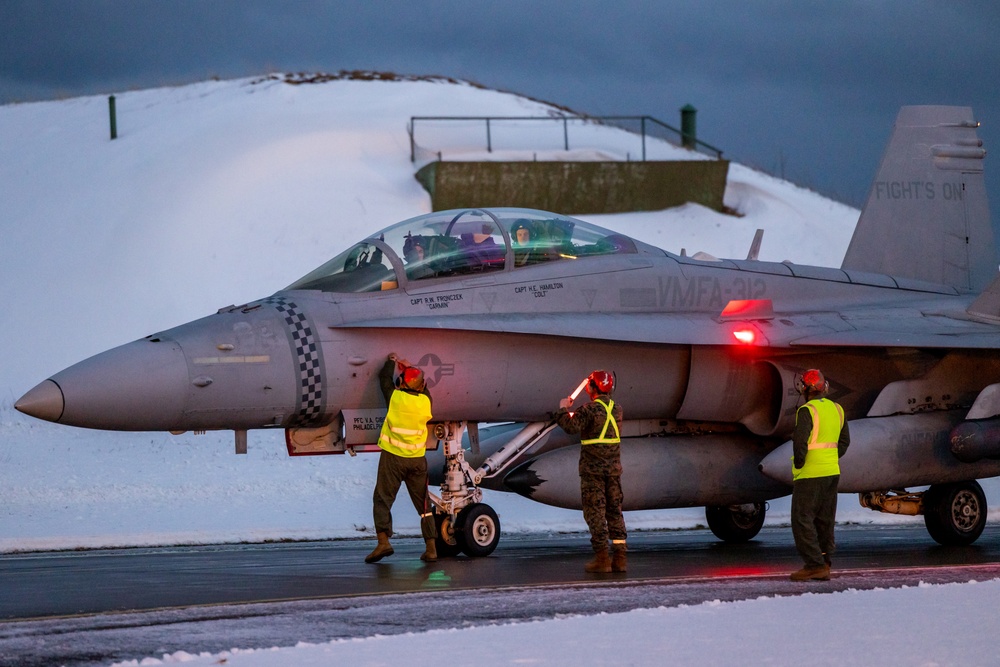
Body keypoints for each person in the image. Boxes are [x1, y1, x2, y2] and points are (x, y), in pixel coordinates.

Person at [365, 353, 438, 564]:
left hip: (393, 458)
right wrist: (411, 367)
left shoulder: (395, 398)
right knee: (423, 505)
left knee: (382, 498)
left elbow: (383, 379)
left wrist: (391, 362)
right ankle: (431, 548)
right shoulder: (425, 402)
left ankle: (383, 542)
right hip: (417, 460)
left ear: (400, 383)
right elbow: (423, 387)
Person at [555, 370, 627, 573]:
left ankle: (602, 559)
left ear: (594, 387)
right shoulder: (617, 409)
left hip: (592, 472)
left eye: (589, 384)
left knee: (595, 513)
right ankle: (620, 559)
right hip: (613, 472)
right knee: (615, 512)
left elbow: (570, 426)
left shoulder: (589, 410)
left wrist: (562, 409)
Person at [789, 368, 851, 581]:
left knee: (802, 519)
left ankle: (814, 565)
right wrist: (830, 458)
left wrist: (799, 464)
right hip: (832, 471)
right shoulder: (838, 409)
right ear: (824, 387)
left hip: (810, 474)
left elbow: (800, 443)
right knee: (825, 520)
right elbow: (844, 443)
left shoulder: (807, 411)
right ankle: (825, 562)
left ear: (804, 389)